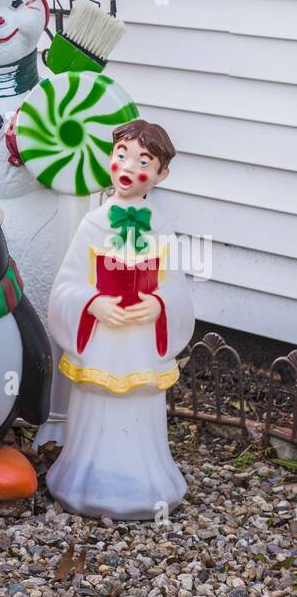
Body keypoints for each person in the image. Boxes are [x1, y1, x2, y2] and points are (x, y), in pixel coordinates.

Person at [46, 119, 195, 519]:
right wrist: (92, 303)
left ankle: (144, 478)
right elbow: (67, 284)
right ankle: (85, 475)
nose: (129, 167)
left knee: (137, 404)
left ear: (161, 174)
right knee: (98, 402)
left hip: (140, 340)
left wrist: (161, 303)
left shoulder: (161, 227)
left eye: (143, 160)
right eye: (122, 155)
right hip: (104, 338)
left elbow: (176, 285)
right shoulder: (93, 224)